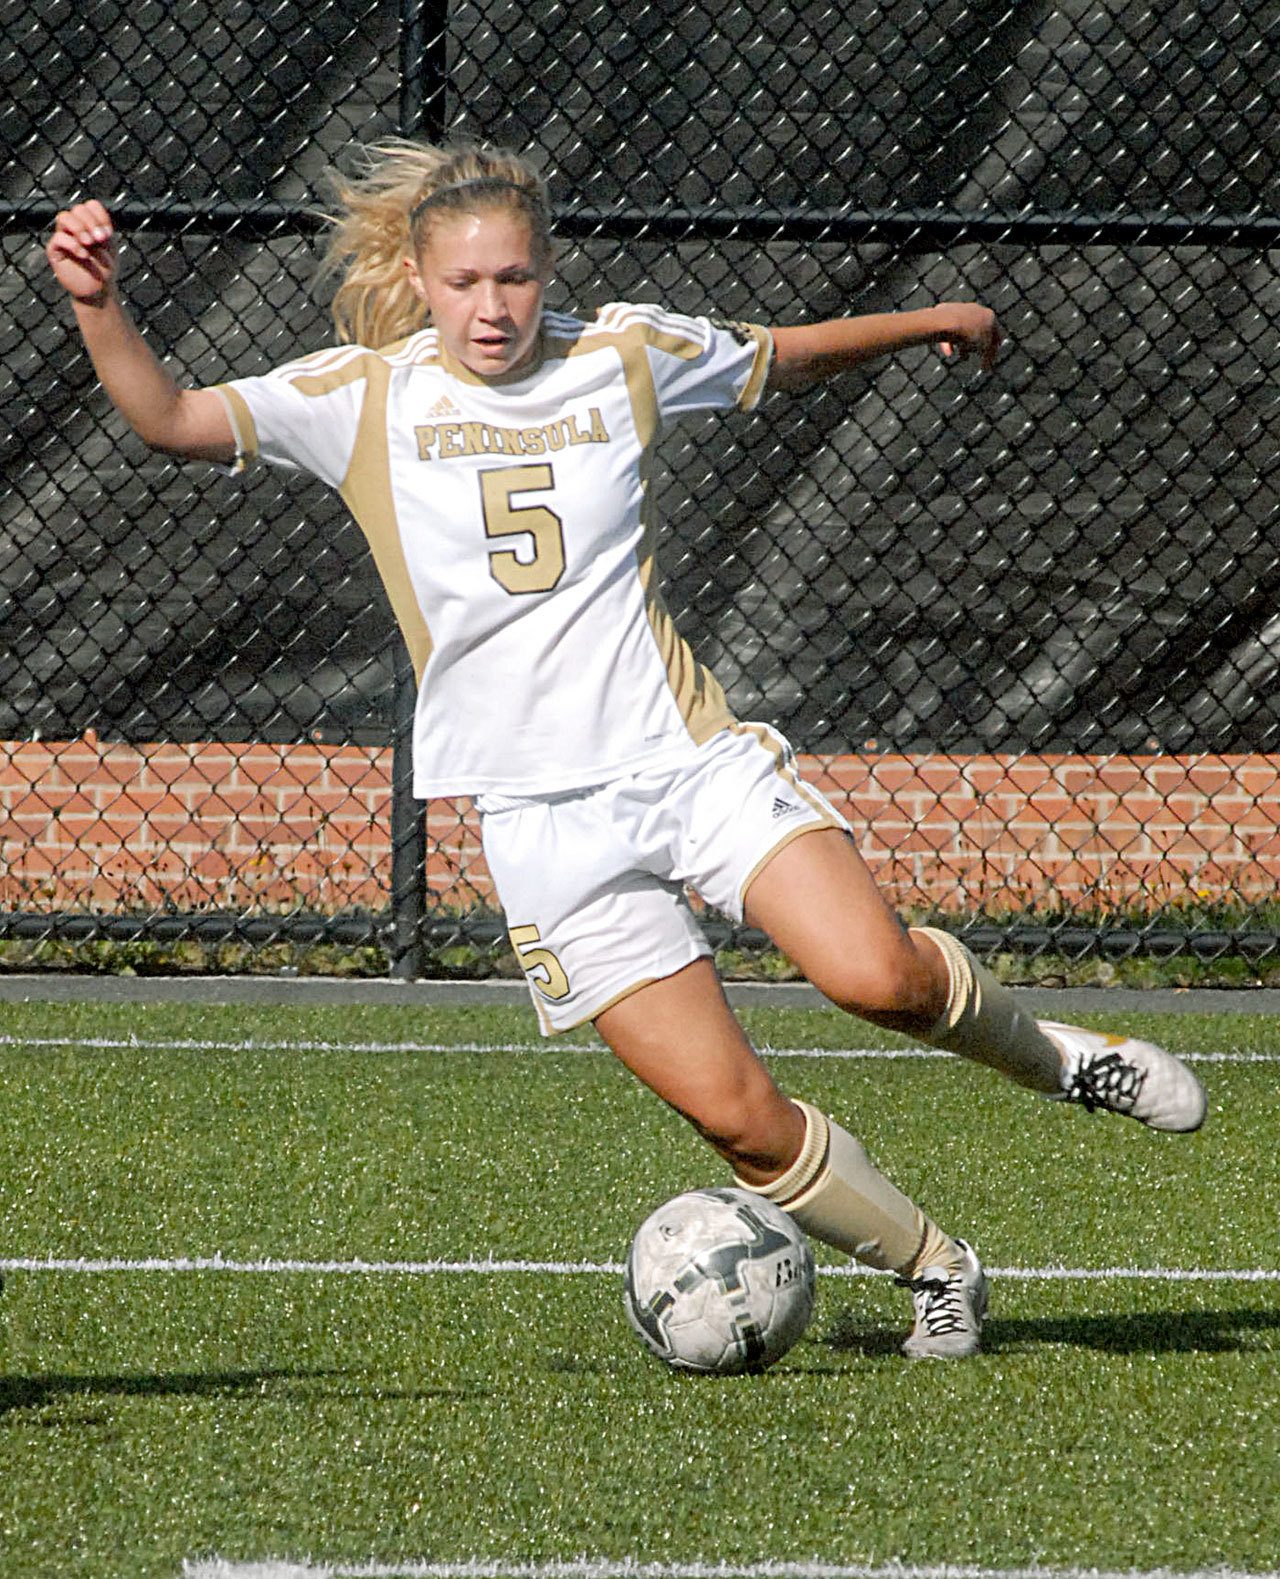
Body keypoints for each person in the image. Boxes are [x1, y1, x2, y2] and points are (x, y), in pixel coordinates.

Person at [46, 139, 1206, 1360]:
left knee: (879, 979)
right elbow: (169, 419)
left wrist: (926, 320)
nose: (490, 307)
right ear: (418, 279)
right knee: (740, 1123)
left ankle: (1068, 1061)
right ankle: (938, 1267)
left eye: (513, 278)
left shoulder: (621, 354)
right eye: (463, 284)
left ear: (548, 271)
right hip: (543, 826)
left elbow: (778, 356)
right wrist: (101, 304)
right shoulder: (362, 397)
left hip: (685, 759)